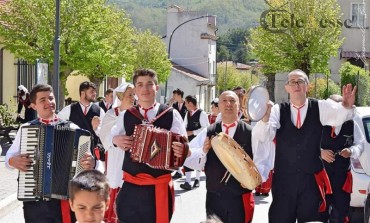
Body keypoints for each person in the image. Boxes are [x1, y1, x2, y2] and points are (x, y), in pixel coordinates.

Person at [252, 69, 357, 223]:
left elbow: (339, 116)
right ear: (287, 87)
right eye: (292, 82)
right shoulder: (277, 110)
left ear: (308, 86)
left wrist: (346, 106)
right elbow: (265, 136)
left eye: (301, 81)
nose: (297, 85)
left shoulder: (320, 107)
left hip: (311, 182)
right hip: (284, 181)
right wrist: (265, 121)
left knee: (312, 220)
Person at [5, 84, 96, 223]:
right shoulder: (27, 129)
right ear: (33, 105)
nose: (49, 102)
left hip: (64, 201)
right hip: (35, 201)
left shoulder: (74, 129)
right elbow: (9, 158)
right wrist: (13, 161)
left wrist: (91, 163)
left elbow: (87, 160)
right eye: (43, 100)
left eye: (51, 98)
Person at [110, 68, 188, 223]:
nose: (145, 89)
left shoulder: (171, 114)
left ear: (156, 88)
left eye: (149, 84)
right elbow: (109, 138)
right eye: (140, 84)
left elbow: (185, 146)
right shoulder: (127, 115)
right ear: (135, 89)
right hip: (131, 187)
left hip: (158, 188)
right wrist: (116, 140)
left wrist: (182, 150)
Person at [184, 90, 255, 223]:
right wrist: (203, 151)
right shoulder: (209, 131)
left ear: (238, 105)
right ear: (219, 106)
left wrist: (251, 181)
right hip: (214, 196)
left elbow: (262, 161)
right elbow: (189, 157)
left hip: (240, 198)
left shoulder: (251, 133)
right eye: (224, 101)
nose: (228, 104)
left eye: (233, 101)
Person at [320, 94, 365, 223]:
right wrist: (321, 152)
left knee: (341, 212)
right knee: (319, 212)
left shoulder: (351, 123)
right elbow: (306, 145)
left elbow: (360, 144)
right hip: (321, 177)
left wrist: (351, 151)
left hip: (342, 177)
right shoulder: (319, 122)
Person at [100, 83, 135, 223]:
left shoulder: (136, 114)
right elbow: (104, 137)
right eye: (129, 95)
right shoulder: (111, 114)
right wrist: (115, 140)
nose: (133, 98)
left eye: (133, 95)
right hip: (115, 158)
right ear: (120, 97)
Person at [58, 81, 106, 163]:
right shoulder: (69, 109)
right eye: (91, 92)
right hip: (73, 152)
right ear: (82, 93)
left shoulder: (100, 111)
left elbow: (105, 134)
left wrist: (96, 128)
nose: (94, 94)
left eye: (95, 91)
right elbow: (58, 123)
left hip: (92, 154)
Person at [180, 95, 210, 190]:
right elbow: (184, 125)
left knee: (198, 159)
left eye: (186, 102)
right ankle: (187, 182)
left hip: (199, 140)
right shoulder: (187, 114)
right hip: (189, 140)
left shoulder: (202, 113)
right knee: (187, 157)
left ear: (190, 103)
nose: (185, 105)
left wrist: (193, 132)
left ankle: (197, 179)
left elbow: (206, 128)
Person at [171, 88, 188, 179]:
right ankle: (178, 170)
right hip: (177, 130)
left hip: (185, 129)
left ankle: (184, 169)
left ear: (179, 95)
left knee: (184, 149)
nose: (173, 97)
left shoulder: (187, 104)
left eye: (175, 95)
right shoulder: (174, 105)